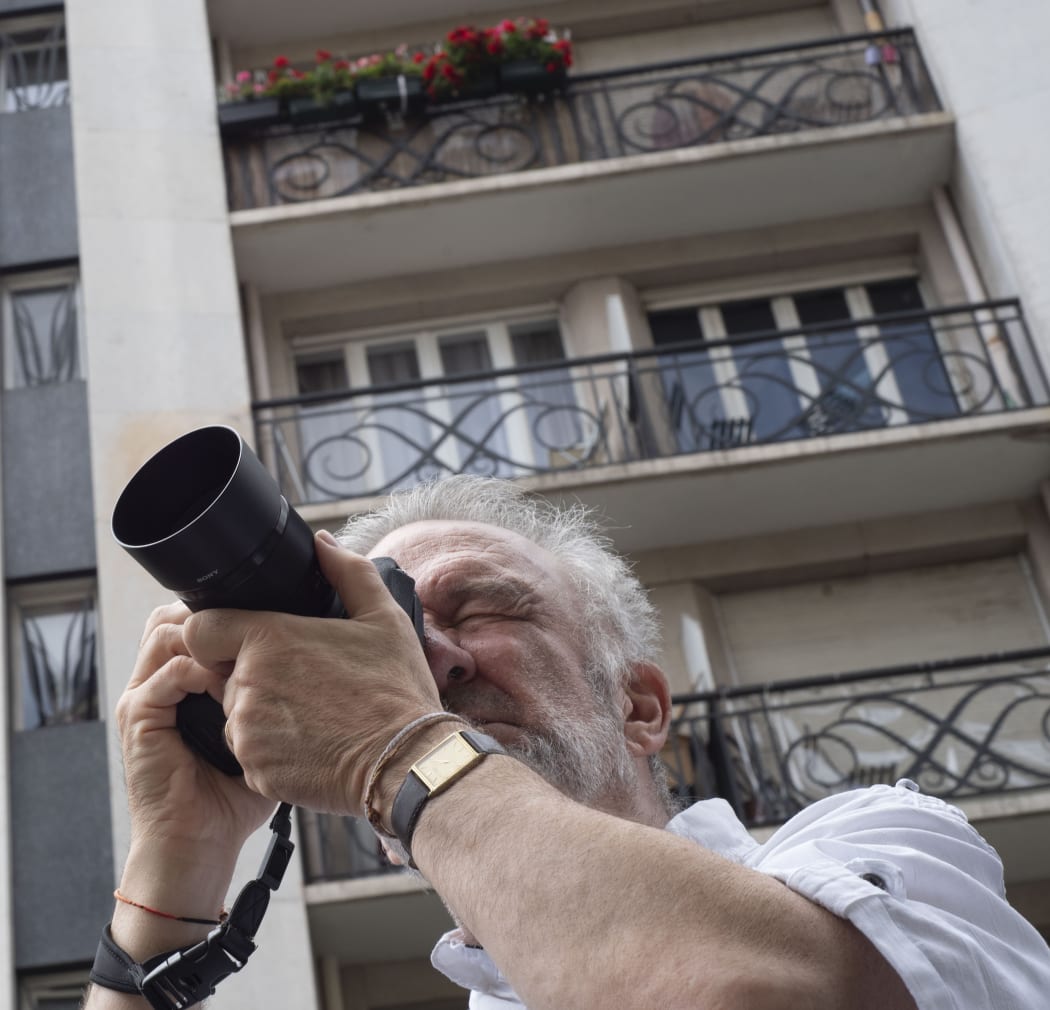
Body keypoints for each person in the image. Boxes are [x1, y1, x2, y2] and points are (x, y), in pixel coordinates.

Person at [85, 476, 1050, 1009]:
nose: (430, 658)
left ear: (639, 707)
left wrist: (394, 749)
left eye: (486, 608)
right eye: (391, 634)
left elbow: (739, 994)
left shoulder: (878, 849)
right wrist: (179, 859)